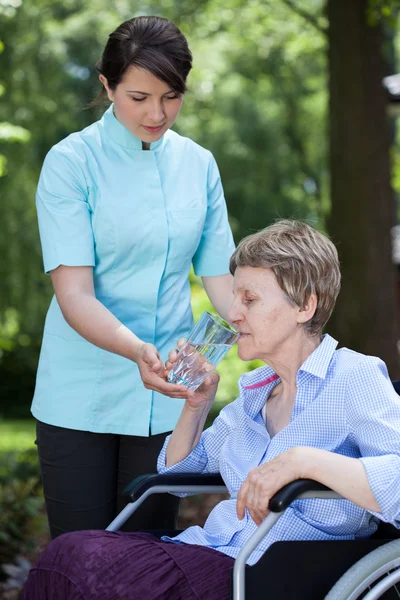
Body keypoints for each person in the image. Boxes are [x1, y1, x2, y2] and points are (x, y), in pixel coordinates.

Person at [23, 219, 400, 600]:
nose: (233, 312)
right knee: (67, 555)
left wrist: (301, 462)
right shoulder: (256, 394)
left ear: (305, 306)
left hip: (273, 569)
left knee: (83, 566)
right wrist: (196, 406)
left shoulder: (354, 377)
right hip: (209, 550)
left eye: (249, 299)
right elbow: (178, 473)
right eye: (235, 297)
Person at [32, 15, 235, 539]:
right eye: (139, 97)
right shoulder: (70, 163)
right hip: (81, 392)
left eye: (171, 96)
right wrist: (137, 352)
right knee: (80, 557)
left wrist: (287, 339)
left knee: (146, 561)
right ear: (107, 85)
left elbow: (224, 282)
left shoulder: (199, 164)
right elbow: (74, 293)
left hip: (169, 391)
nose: (157, 113)